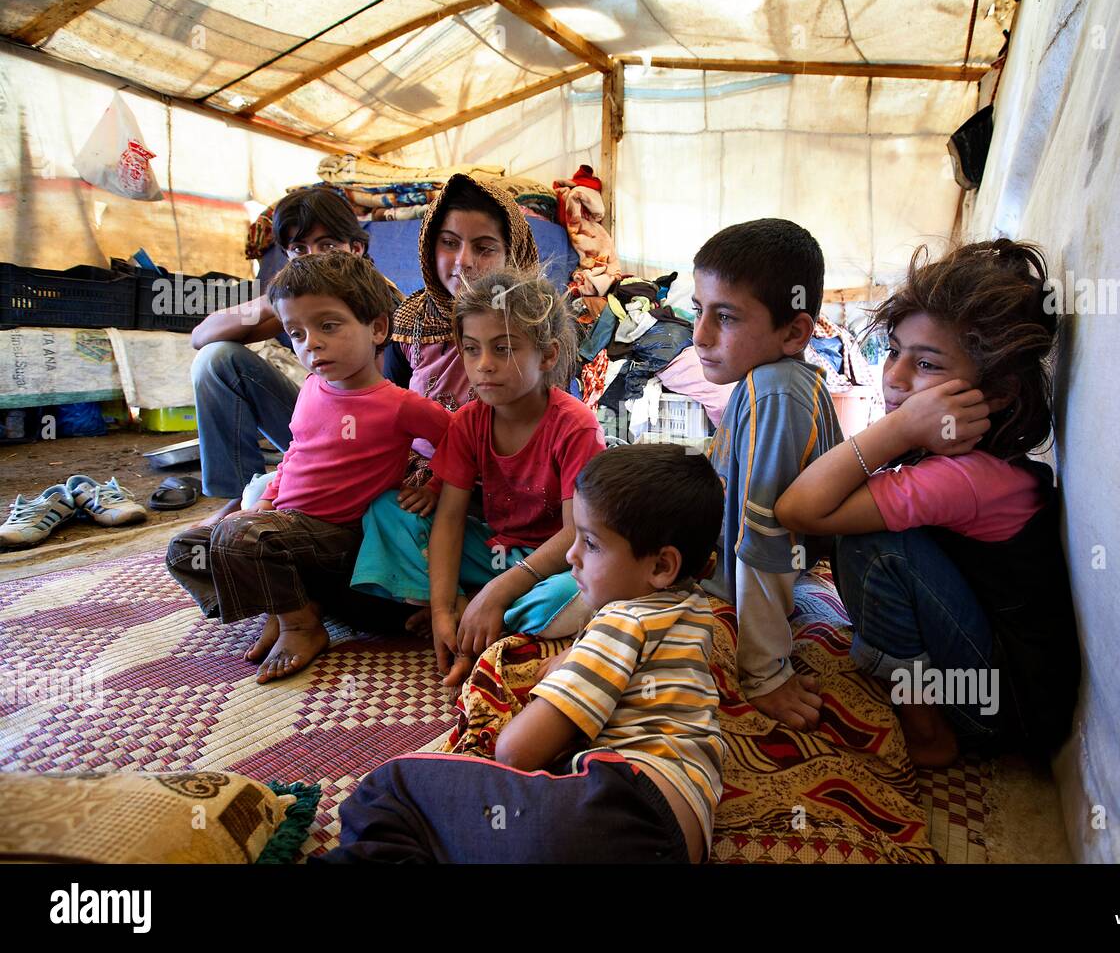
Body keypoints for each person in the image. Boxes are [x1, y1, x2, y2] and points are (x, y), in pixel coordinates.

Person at [318, 443, 726, 863]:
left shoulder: (621, 621)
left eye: (591, 543)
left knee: (389, 788)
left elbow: (517, 750)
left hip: (616, 808)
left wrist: (562, 674)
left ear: (661, 567)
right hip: (680, 838)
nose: (571, 555)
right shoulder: (696, 612)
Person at [774, 239, 1081, 767]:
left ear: (999, 392)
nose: (894, 377)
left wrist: (895, 428)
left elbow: (798, 509)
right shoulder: (961, 453)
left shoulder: (969, 479)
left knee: (874, 543)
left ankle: (929, 731)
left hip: (1003, 708)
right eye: (894, 350)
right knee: (858, 521)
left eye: (928, 365)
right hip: (997, 674)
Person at [167, 252, 451, 684]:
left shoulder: (399, 405)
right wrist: (263, 502)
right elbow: (295, 454)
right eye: (296, 333)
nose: (310, 344)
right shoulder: (312, 388)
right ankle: (283, 603)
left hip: (339, 537)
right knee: (184, 550)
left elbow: (457, 438)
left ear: (377, 328)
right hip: (284, 527)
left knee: (237, 538)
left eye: (328, 326)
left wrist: (435, 482)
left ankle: (301, 624)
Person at [352, 267, 604, 687]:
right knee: (385, 511)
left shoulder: (575, 425)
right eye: (471, 349)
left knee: (578, 593)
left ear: (547, 355)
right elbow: (449, 520)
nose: (483, 365)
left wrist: (498, 592)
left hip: (552, 562)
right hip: (492, 550)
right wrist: (440, 613)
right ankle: (467, 611)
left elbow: (574, 535)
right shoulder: (469, 421)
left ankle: (483, 613)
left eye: (503, 349)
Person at [691, 218, 843, 731]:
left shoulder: (774, 391)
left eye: (725, 317)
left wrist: (765, 673)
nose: (699, 335)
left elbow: (766, 536)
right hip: (717, 567)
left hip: (718, 587)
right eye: (699, 310)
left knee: (568, 602)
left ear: (794, 331)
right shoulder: (766, 381)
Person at [189, 188, 382, 524]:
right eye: (299, 250)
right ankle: (242, 494)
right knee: (217, 359)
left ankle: (270, 496)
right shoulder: (297, 301)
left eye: (327, 246)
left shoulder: (379, 301)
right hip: (314, 426)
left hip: (364, 438)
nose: (312, 259)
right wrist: (272, 301)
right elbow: (201, 337)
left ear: (356, 248)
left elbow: (382, 401)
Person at [381, 174, 542, 519]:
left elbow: (539, 426)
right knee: (381, 512)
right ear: (429, 245)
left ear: (512, 255)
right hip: (416, 477)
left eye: (484, 248)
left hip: (499, 481)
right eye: (450, 242)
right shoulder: (410, 322)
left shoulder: (533, 326)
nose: (463, 260)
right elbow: (389, 411)